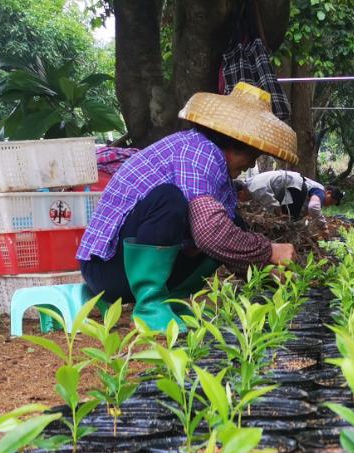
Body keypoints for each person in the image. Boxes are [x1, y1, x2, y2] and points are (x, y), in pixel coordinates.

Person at [77, 82, 299, 330]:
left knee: (232, 223)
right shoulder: (196, 153)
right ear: (238, 143)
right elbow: (210, 234)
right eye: (252, 156)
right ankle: (150, 306)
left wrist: (267, 271)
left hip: (128, 270)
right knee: (170, 200)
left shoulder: (216, 167)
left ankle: (169, 300)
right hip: (106, 270)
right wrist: (269, 250)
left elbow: (226, 235)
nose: (250, 165)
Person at [244, 169, 341, 220]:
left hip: (290, 187)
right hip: (295, 187)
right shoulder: (320, 191)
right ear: (328, 192)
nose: (328, 205)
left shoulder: (250, 185)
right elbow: (314, 206)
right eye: (331, 202)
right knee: (289, 219)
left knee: (289, 218)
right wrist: (324, 228)